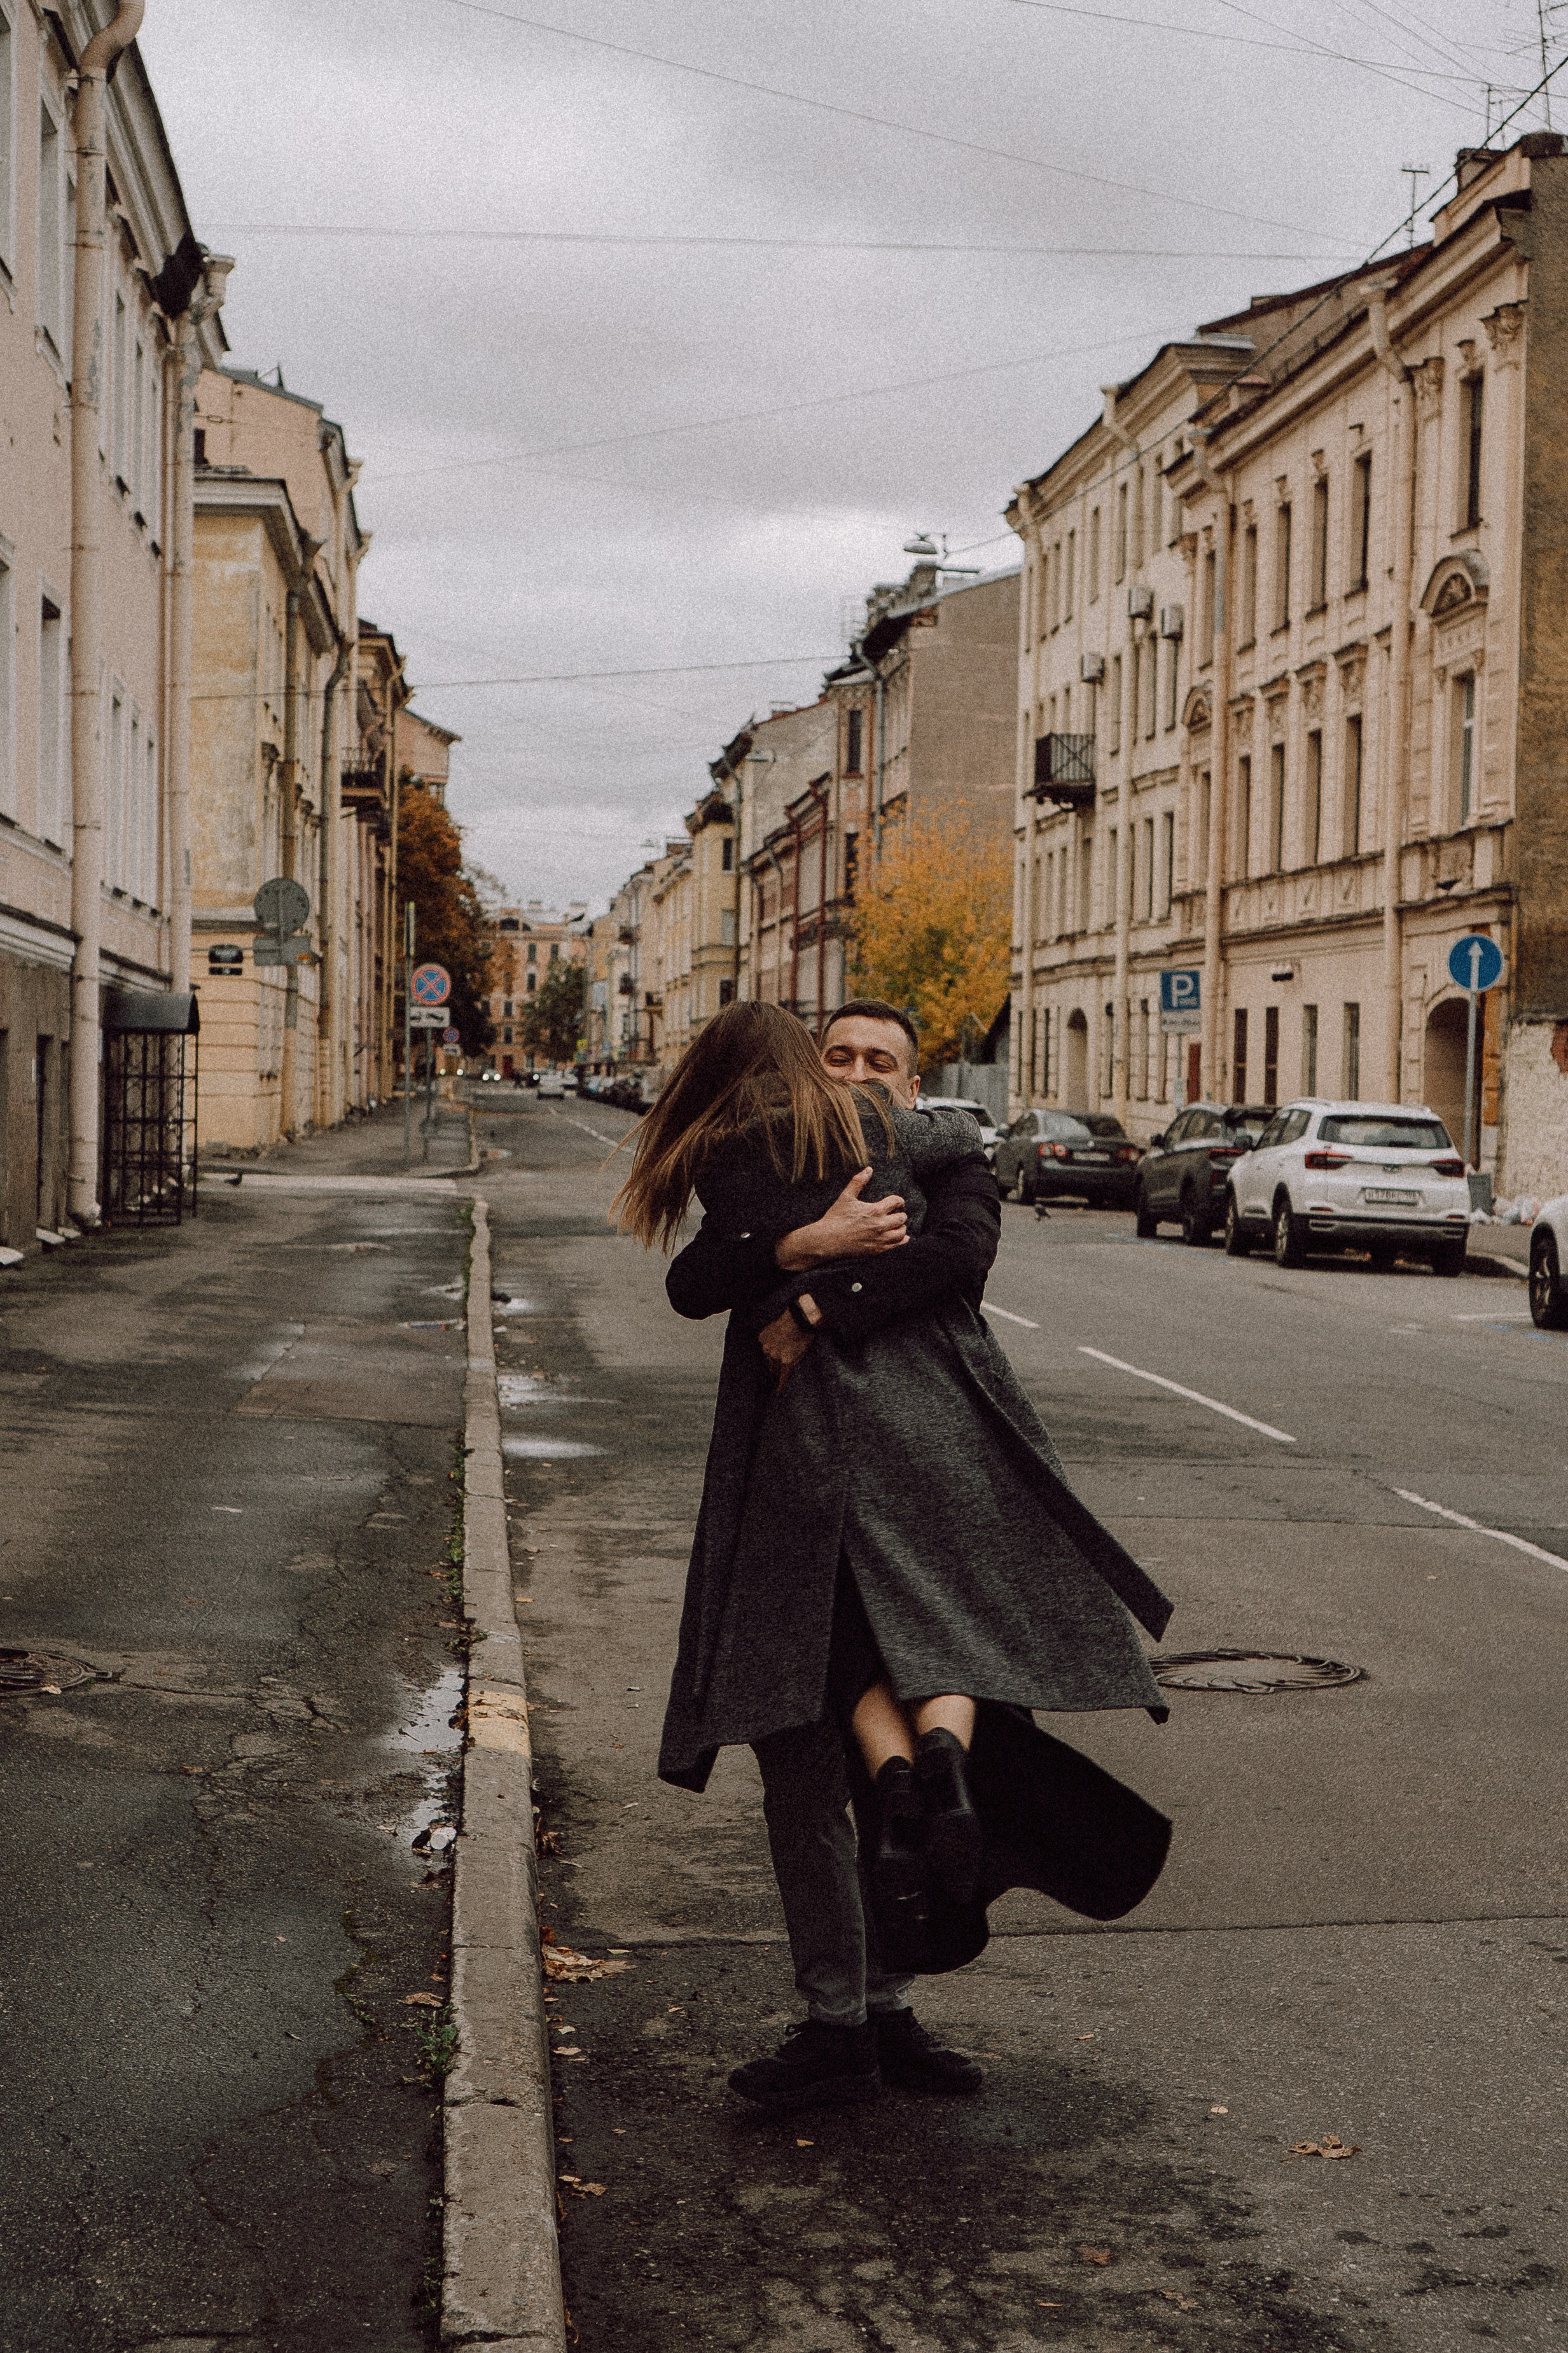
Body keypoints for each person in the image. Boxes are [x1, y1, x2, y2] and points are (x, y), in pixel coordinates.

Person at [614, 1000, 1174, 2114]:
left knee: (887, 1728)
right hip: (794, 1492)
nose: (860, 1074)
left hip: (887, 1473)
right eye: (839, 1056)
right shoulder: (783, 1156)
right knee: (808, 1752)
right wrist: (802, 1245)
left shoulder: (939, 1150)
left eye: (882, 1061)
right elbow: (696, 1277)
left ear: (913, 1084)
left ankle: (879, 2007)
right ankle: (842, 2019)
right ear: (804, 1071)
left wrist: (815, 1304)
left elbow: (956, 1260)